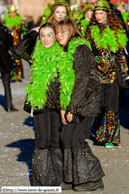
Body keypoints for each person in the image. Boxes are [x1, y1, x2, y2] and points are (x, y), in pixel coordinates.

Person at [55, 19, 105, 192]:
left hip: (86, 102)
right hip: (73, 103)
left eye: (63, 32)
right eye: (57, 32)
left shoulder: (80, 49)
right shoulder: (63, 51)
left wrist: (72, 108)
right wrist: (63, 106)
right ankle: (72, 177)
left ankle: (93, 177)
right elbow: (64, 84)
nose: (59, 35)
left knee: (76, 138)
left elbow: (82, 81)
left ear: (72, 32)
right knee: (66, 138)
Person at [25, 22, 75, 186]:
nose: (46, 39)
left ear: (56, 37)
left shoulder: (62, 53)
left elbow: (67, 82)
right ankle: (42, 179)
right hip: (40, 103)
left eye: (49, 35)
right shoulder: (35, 54)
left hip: (56, 105)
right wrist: (34, 33)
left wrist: (65, 107)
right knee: (41, 140)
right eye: (43, 36)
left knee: (55, 140)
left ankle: (56, 177)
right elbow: (18, 49)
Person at [86, 0, 129, 148]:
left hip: (112, 74)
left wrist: (125, 73)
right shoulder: (90, 31)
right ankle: (99, 132)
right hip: (96, 73)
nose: (98, 16)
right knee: (100, 104)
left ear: (107, 14)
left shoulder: (116, 30)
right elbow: (86, 52)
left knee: (111, 105)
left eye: (101, 13)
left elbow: (121, 55)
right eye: (96, 13)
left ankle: (109, 137)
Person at [4, 4, 26, 81]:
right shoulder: (6, 20)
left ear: (16, 13)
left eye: (13, 13)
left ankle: (19, 74)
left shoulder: (19, 20)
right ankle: (13, 75)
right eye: (10, 12)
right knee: (12, 58)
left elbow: (24, 30)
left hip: (18, 43)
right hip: (9, 43)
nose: (11, 14)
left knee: (17, 59)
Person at [0, 22, 18, 112]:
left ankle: (9, 105)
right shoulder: (3, 29)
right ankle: (9, 105)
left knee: (6, 81)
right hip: (3, 57)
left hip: (3, 57)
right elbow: (10, 41)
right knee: (6, 82)